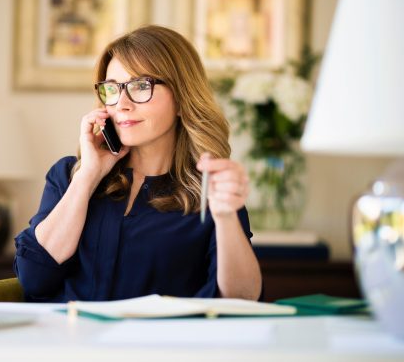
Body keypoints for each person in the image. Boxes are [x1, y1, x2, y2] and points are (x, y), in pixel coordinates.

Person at [14, 25, 262, 302]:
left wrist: (226, 216)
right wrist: (88, 177)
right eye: (113, 89)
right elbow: (33, 278)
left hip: (158, 344)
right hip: (70, 341)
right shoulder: (69, 175)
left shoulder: (210, 191)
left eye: (141, 86)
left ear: (182, 98)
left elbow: (242, 299)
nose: (122, 103)